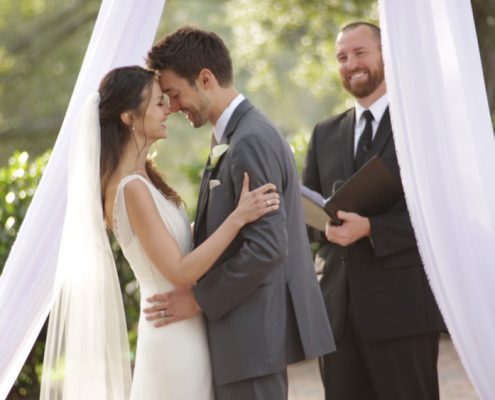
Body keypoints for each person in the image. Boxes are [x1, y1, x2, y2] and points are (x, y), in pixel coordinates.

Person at [42, 65, 282, 400]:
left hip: (184, 325)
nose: (168, 108)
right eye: (157, 103)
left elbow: (175, 244)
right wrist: (238, 218)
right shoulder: (132, 188)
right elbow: (180, 271)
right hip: (173, 334)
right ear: (129, 117)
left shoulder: (144, 178)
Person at [144, 26, 335, 399]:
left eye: (174, 94)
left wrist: (199, 299)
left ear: (205, 79)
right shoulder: (234, 136)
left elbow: (266, 247)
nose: (174, 106)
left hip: (251, 339)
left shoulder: (250, 140)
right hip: (243, 339)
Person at [302, 22, 446, 400]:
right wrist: (323, 227)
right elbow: (308, 217)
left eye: (360, 53)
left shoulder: (418, 128)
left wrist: (371, 229)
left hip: (403, 312)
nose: (351, 64)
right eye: (342, 57)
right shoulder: (324, 133)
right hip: (337, 316)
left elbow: (439, 216)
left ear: (385, 55)